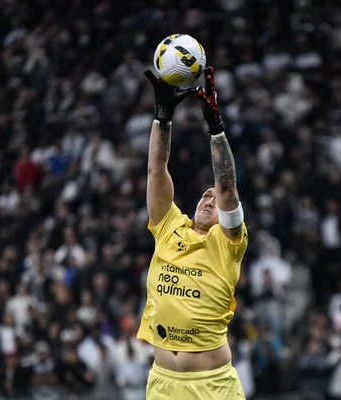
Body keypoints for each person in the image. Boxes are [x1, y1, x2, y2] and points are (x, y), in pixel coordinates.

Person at [137, 66, 248, 399]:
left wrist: (215, 128)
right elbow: (157, 168)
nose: (210, 196)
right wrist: (163, 117)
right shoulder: (170, 225)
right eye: (206, 193)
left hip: (212, 386)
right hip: (163, 384)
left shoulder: (227, 243)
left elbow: (227, 186)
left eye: (215, 197)